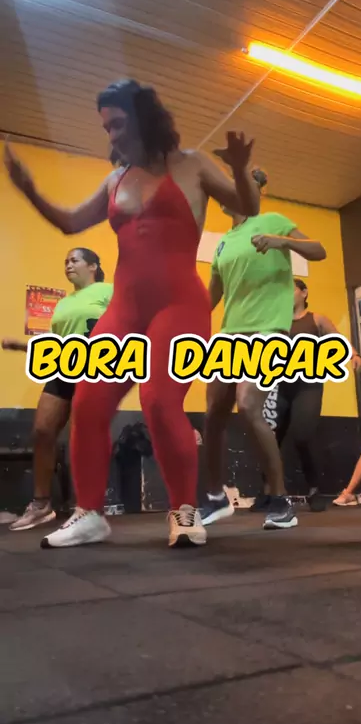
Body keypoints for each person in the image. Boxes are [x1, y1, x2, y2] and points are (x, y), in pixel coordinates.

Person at [3, 79, 259, 549]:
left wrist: (241, 169)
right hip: (125, 308)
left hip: (179, 305)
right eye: (107, 127)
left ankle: (184, 511)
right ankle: (90, 514)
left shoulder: (192, 164)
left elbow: (248, 205)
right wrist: (29, 190)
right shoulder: (115, 179)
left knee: (159, 402)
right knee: (87, 402)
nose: (112, 134)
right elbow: (69, 223)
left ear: (144, 118)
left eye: (118, 123)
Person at [199, 171, 327, 531]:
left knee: (248, 405)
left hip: (268, 330)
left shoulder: (273, 221)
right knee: (213, 414)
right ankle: (215, 497)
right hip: (230, 335)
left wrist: (280, 241)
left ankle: (281, 500)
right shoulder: (223, 244)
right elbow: (212, 294)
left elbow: (319, 250)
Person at [2, 248, 112, 531]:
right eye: (65, 261)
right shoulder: (64, 303)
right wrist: (22, 346)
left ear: (93, 266)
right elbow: (55, 343)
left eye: (75, 260)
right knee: (42, 430)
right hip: (63, 367)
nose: (68, 265)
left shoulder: (108, 291)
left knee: (84, 437)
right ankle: (41, 505)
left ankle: (88, 508)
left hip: (94, 367)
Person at [258, 278, 361, 512]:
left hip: (308, 386)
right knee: (271, 439)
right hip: (281, 387)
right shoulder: (278, 322)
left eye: (291, 289)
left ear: (304, 293)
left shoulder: (316, 320)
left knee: (302, 436)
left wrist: (354, 356)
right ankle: (268, 492)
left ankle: (315, 490)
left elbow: (339, 341)